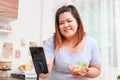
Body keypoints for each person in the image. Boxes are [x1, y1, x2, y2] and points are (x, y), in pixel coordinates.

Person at [39, 5, 101, 80]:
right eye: (61, 23)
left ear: (77, 22)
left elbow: (97, 70)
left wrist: (86, 72)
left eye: (69, 21)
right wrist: (41, 66)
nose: (65, 25)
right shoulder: (51, 42)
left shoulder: (91, 42)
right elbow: (44, 74)